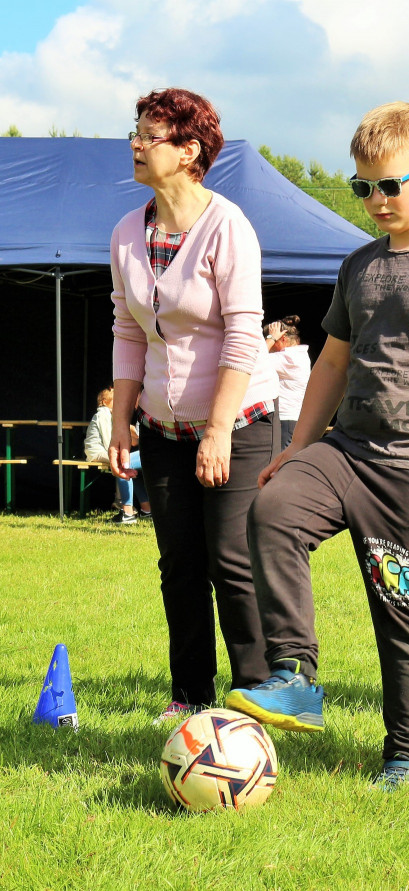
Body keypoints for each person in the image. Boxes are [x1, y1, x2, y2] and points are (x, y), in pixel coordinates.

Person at [224, 101, 409, 791]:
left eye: (390, 184)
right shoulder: (358, 265)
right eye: (363, 187)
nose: (376, 200)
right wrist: (298, 447)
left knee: (399, 611)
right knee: (272, 511)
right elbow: (330, 364)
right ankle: (294, 673)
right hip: (347, 451)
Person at [109, 87, 278, 725]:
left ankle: (256, 698)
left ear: (189, 150)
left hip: (239, 424)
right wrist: (123, 419)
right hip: (160, 427)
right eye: (137, 132)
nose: (136, 144)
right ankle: (191, 696)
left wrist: (217, 433)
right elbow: (127, 330)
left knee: (232, 561)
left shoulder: (227, 225)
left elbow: (242, 331)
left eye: (150, 136)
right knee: (180, 564)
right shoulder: (128, 232)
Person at [84, 386, 151, 524]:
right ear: (105, 401)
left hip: (153, 453)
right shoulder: (103, 414)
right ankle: (144, 510)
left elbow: (134, 440)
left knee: (124, 464)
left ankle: (127, 512)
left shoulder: (146, 412)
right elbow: (110, 441)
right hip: (97, 452)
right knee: (125, 463)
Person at [263, 314, 311, 448]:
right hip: (289, 420)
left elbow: (254, 360)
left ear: (282, 339)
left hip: (285, 420)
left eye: (273, 341)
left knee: (281, 467)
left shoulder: (289, 358)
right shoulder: (297, 356)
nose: (269, 346)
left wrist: (270, 338)